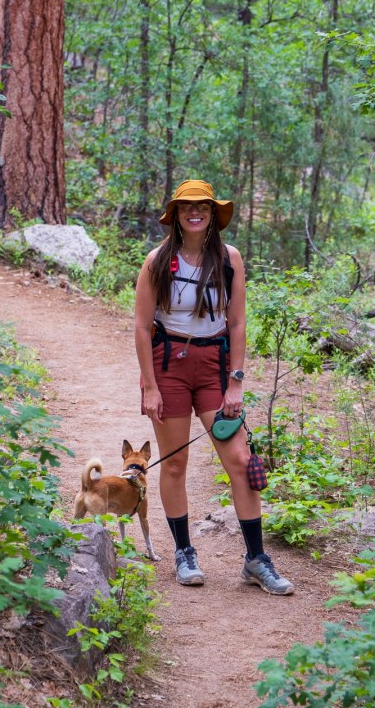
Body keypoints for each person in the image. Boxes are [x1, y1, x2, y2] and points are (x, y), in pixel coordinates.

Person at [134, 179, 294, 594]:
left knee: (239, 460)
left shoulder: (228, 258)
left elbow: (238, 322)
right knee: (173, 463)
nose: (195, 212)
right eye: (187, 206)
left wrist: (235, 381)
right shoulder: (157, 261)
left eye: (203, 206)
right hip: (168, 364)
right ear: (176, 215)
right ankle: (184, 552)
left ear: (212, 214)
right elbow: (140, 324)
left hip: (214, 366)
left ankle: (256, 560)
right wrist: (149, 386)